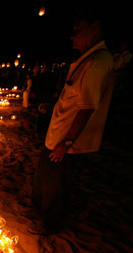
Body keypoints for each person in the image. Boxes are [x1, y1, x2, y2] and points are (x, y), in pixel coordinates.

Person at [27, 7, 115, 235]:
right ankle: (42, 217)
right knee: (44, 183)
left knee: (56, 187)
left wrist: (66, 143)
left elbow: (87, 108)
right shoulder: (86, 60)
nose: (72, 36)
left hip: (66, 142)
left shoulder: (97, 62)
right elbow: (73, 97)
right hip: (56, 135)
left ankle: (51, 226)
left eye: (78, 30)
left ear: (95, 28)